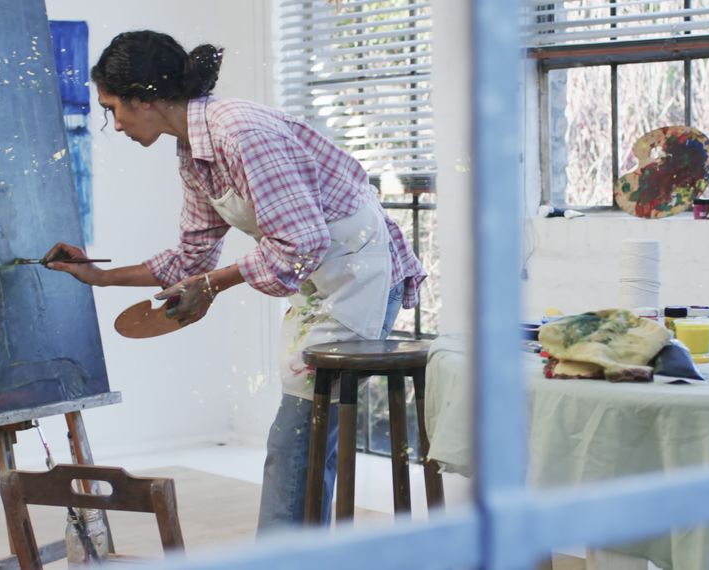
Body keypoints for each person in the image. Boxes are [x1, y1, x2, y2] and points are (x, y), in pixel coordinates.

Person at [44, 30, 426, 532]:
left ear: (145, 97)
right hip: (323, 282)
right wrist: (100, 276)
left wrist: (218, 282)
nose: (113, 124)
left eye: (114, 108)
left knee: (295, 440)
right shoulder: (193, 151)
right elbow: (191, 256)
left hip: (362, 275)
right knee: (303, 441)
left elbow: (303, 243)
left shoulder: (239, 132)